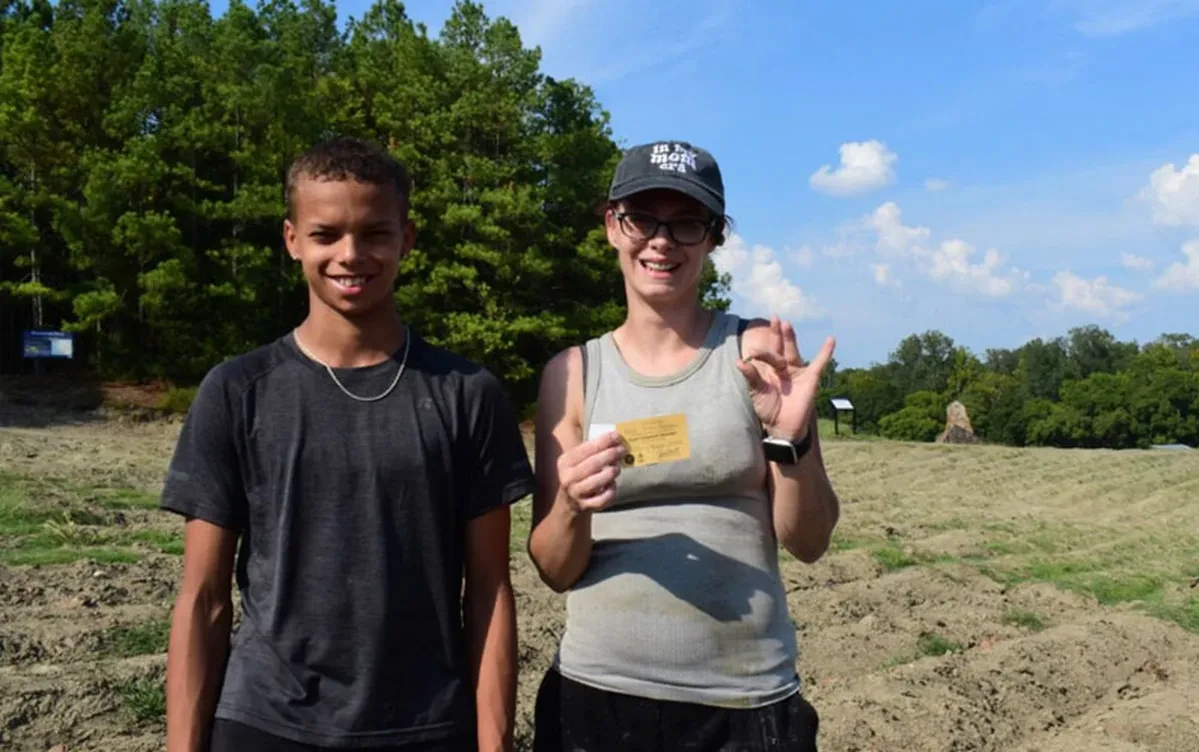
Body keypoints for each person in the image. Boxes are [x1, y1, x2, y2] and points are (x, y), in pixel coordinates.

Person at [161, 136, 534, 752]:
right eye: (326, 234)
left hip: (426, 726)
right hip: (264, 722)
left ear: (407, 239)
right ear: (291, 240)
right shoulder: (236, 392)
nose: (351, 254)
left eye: (375, 234)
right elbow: (203, 599)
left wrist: (493, 744)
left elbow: (491, 589)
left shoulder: (468, 395)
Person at [527, 140, 840, 751]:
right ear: (612, 226)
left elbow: (810, 542)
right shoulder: (571, 375)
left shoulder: (755, 355)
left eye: (687, 222)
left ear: (714, 238)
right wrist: (569, 505)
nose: (662, 241)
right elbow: (553, 570)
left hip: (744, 704)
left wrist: (791, 437)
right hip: (597, 700)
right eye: (642, 218)